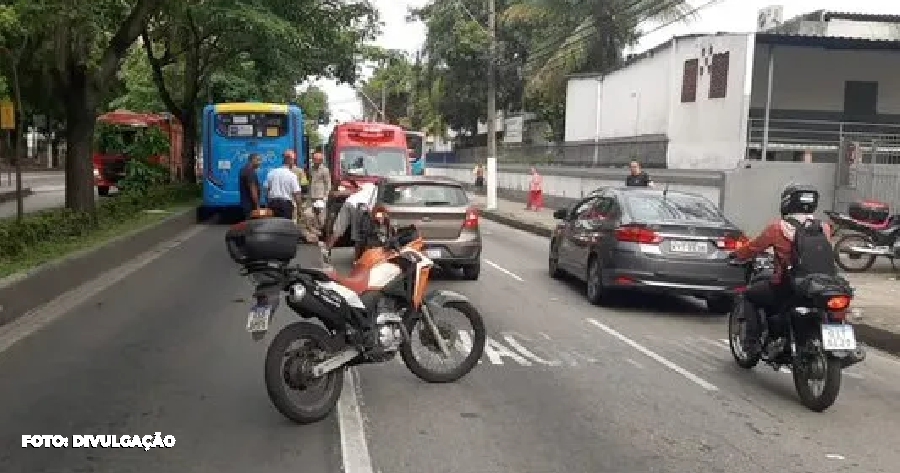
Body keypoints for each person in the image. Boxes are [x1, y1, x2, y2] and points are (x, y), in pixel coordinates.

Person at [729, 183, 835, 355]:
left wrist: (735, 255)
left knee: (749, 295)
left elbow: (753, 248)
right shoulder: (824, 228)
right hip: (820, 284)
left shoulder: (778, 228)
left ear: (787, 203)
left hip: (789, 286)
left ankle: (751, 343)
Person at [322, 182, 377, 257]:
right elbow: (371, 208)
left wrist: (339, 193)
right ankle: (356, 260)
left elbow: (353, 191)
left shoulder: (368, 185)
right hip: (359, 207)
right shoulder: (379, 192)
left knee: (337, 230)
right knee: (358, 235)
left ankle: (326, 251)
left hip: (349, 203)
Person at [263, 153, 303, 219]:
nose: (294, 163)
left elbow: (265, 190)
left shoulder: (271, 173)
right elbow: (297, 194)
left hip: (273, 204)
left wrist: (268, 203)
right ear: (289, 161)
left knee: (273, 225)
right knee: (285, 226)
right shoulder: (292, 175)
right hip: (286, 205)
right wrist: (299, 209)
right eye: (293, 161)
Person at [308, 151, 332, 229]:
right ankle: (316, 231)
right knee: (313, 215)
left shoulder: (325, 170)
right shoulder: (311, 169)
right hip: (312, 195)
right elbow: (310, 181)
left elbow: (328, 184)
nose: (314, 160)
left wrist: (326, 196)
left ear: (321, 160)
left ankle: (322, 231)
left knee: (321, 215)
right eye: (314, 159)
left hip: (320, 196)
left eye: (316, 159)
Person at [239, 153, 263, 220]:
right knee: (252, 225)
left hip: (245, 203)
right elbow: (253, 190)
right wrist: (257, 206)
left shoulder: (243, 169)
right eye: (258, 160)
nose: (260, 162)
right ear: (252, 160)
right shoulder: (250, 171)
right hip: (251, 205)